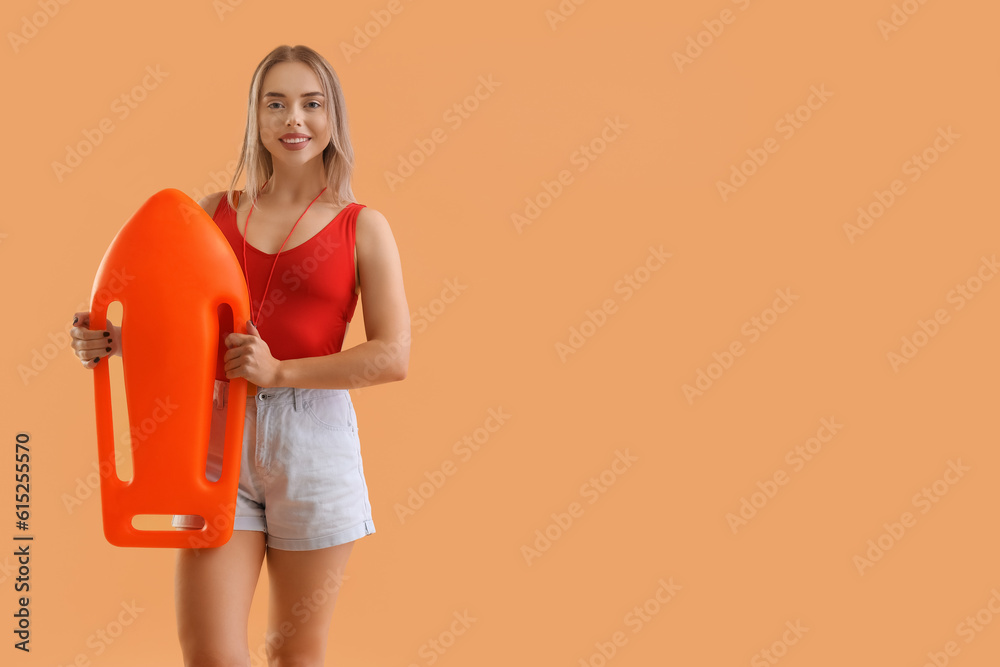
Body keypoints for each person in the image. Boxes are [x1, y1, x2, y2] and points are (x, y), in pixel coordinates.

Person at [69, 44, 409, 666]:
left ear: (333, 119)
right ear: (256, 118)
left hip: (313, 440)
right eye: (274, 104)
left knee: (294, 654)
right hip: (214, 435)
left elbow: (392, 355)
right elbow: (175, 330)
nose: (293, 120)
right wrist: (113, 342)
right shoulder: (213, 213)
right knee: (208, 654)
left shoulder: (362, 226)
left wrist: (279, 370)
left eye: (311, 104)